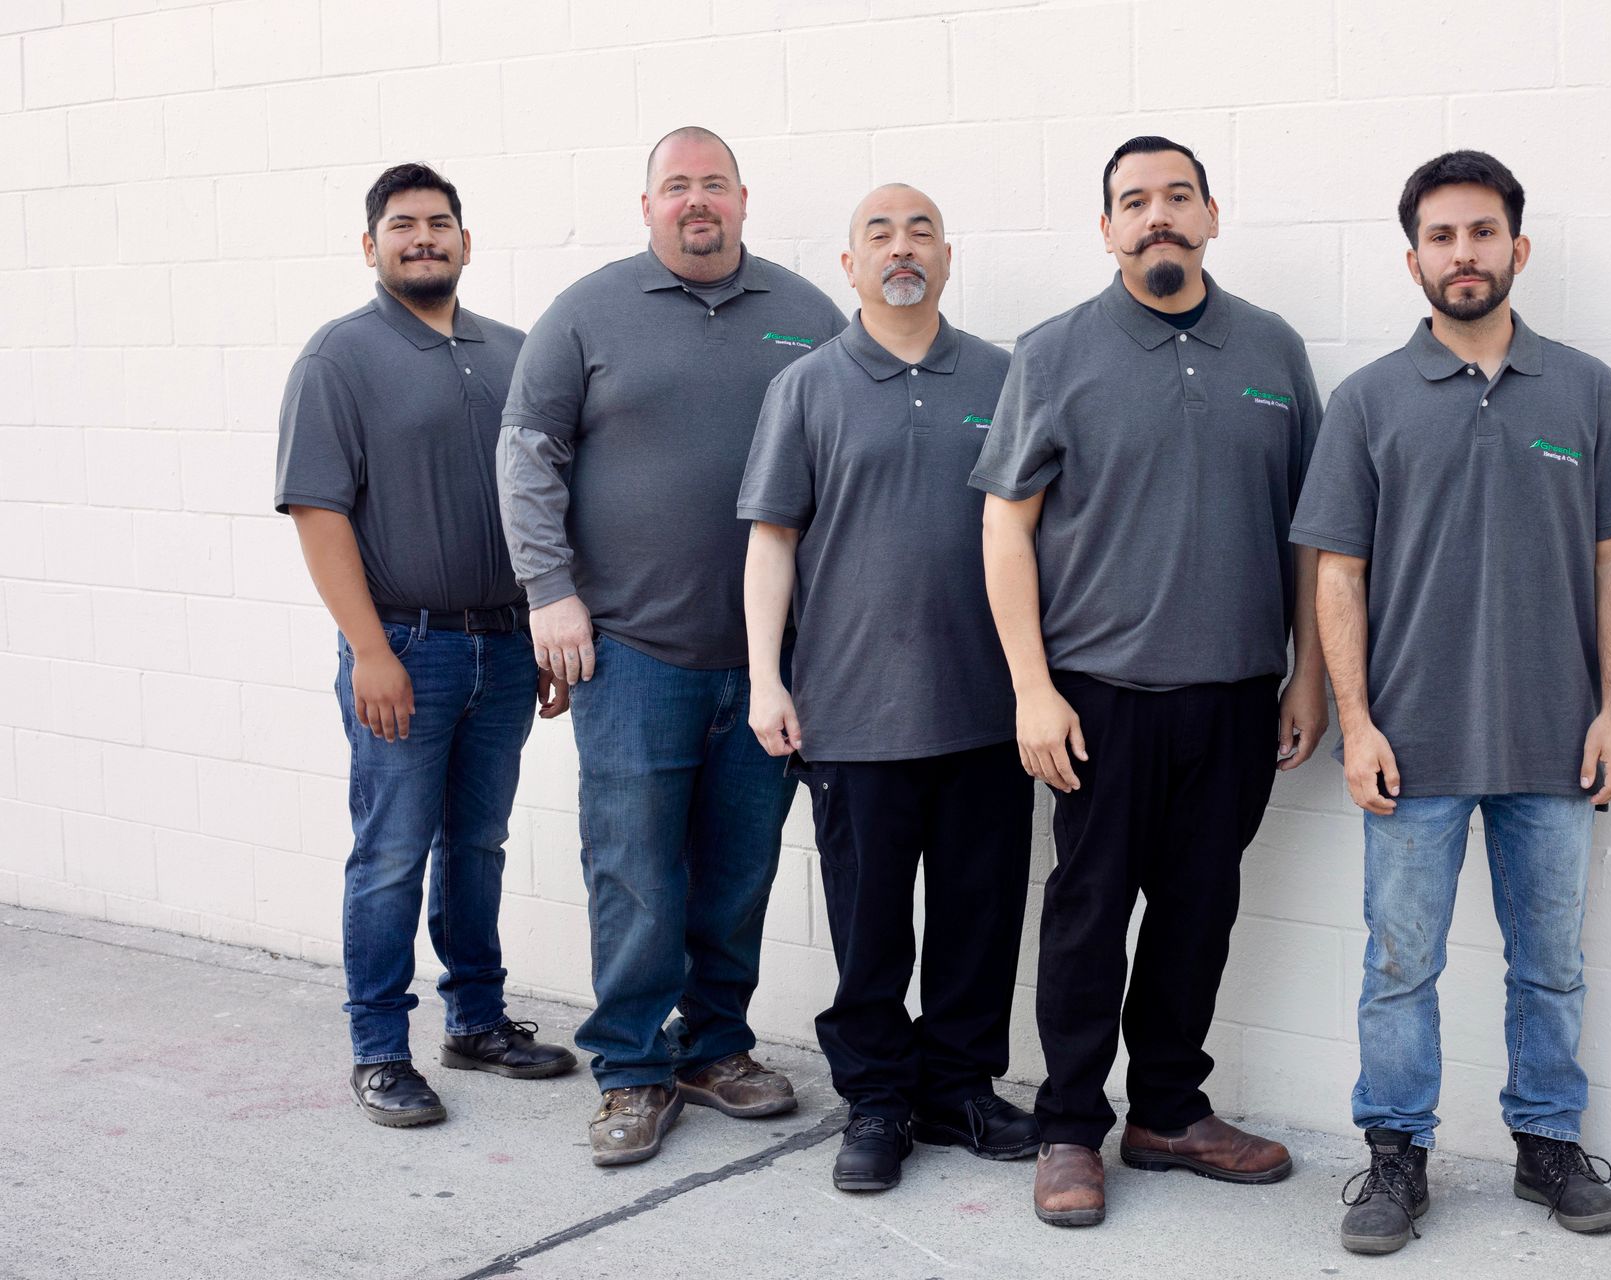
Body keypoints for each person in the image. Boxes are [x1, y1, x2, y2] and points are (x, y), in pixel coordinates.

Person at [1290, 150, 1611, 1254]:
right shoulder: (1367, 401)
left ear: (1518, 247)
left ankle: (1547, 1142)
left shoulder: (1585, 389)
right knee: (1399, 966)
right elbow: (1338, 573)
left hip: (1557, 742)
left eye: (1483, 232)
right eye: (1442, 236)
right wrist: (1357, 722)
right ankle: (1395, 1155)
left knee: (1552, 964)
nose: (1464, 253)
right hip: (1411, 745)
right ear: (1413, 259)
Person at [970, 136, 1328, 1227]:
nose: (1157, 215)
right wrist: (1032, 688)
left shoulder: (1272, 348)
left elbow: (1312, 534)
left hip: (1236, 696)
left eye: (1178, 196)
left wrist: (1308, 675)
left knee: (1197, 913)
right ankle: (1070, 1128)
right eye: (1135, 201)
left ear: (1212, 215)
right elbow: (1005, 527)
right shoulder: (1053, 352)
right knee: (1087, 918)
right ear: (1107, 228)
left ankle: (1169, 1111)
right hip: (1099, 698)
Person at [498, 126, 846, 1167]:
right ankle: (632, 1068)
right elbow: (526, 454)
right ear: (646, 204)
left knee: (739, 870)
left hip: (768, 663)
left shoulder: (807, 316)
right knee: (636, 871)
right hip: (632, 653)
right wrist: (549, 593)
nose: (698, 201)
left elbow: (851, 459)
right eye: (677, 186)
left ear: (743, 199)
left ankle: (715, 1046)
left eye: (714, 185)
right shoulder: (587, 312)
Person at [739, 184, 1039, 1194]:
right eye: (881, 233)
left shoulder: (1004, 378)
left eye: (921, 233)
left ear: (947, 258)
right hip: (854, 712)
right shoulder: (807, 386)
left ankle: (957, 1089)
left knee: (977, 919)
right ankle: (875, 1099)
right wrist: (766, 679)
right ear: (850, 264)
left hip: (987, 710)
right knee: (869, 929)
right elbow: (771, 540)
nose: (902, 248)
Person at [276, 162, 576, 1129]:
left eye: (439, 223)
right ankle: (378, 1052)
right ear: (371, 246)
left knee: (477, 845)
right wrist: (369, 651)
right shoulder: (339, 358)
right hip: (405, 649)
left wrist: (544, 624)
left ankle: (476, 1023)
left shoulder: (515, 353)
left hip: (507, 646)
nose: (423, 238)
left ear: (466, 242)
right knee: (392, 852)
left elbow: (549, 498)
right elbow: (318, 512)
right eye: (402, 226)